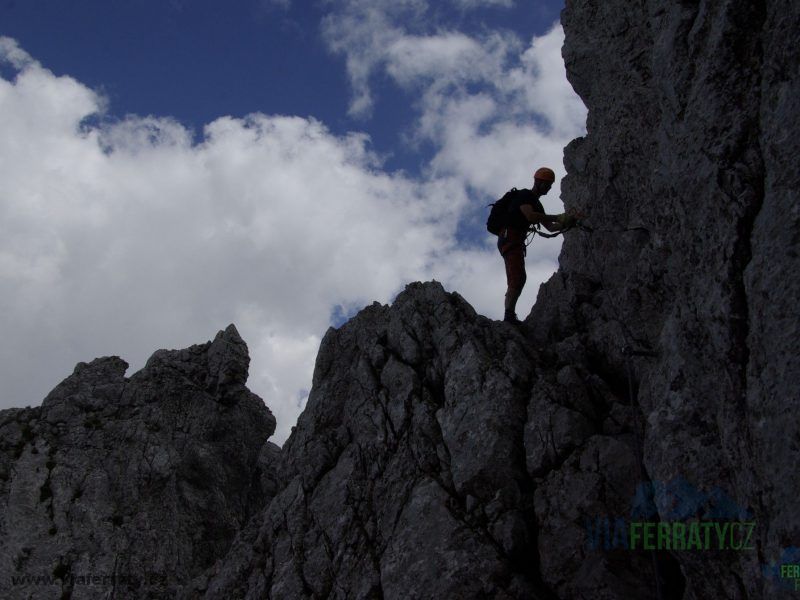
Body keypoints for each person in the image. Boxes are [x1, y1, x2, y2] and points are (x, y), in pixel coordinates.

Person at [497, 167, 575, 323]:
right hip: (510, 238)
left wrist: (569, 222)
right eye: (546, 184)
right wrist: (558, 217)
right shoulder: (525, 196)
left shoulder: (537, 205)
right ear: (538, 182)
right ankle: (509, 315)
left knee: (518, 277)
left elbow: (550, 227)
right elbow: (530, 216)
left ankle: (509, 313)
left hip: (514, 240)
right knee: (517, 277)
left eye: (550, 185)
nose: (548, 188)